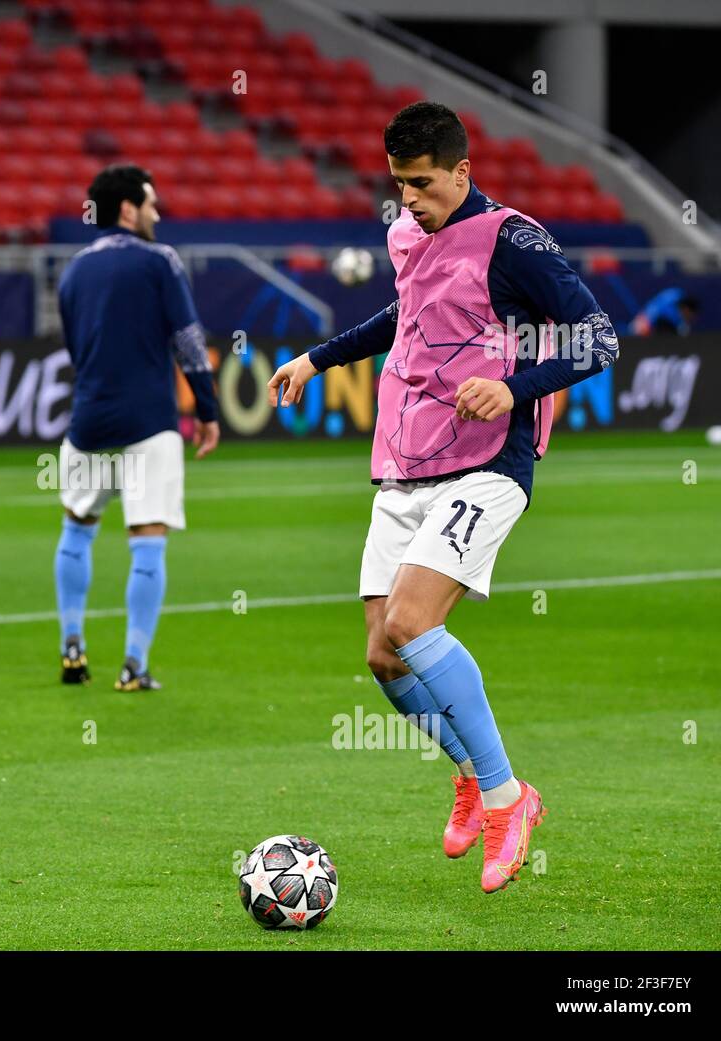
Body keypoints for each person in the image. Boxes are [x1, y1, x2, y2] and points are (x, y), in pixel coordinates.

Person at [267, 103, 620, 893]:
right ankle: (468, 772)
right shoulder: (407, 234)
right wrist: (317, 359)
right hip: (405, 457)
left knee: (411, 620)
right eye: (399, 185)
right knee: (383, 655)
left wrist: (512, 386)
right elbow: (411, 315)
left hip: (490, 459)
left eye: (423, 184)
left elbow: (600, 337)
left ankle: (508, 796)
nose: (411, 201)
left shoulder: (513, 240)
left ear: (463, 171)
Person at [53, 164, 220, 691]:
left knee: (77, 530)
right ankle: (133, 665)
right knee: (147, 542)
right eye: (150, 202)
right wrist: (208, 410)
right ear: (128, 208)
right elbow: (189, 340)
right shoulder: (160, 260)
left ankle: (72, 646)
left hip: (88, 421)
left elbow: (76, 348)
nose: (157, 212)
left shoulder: (73, 270)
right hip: (148, 422)